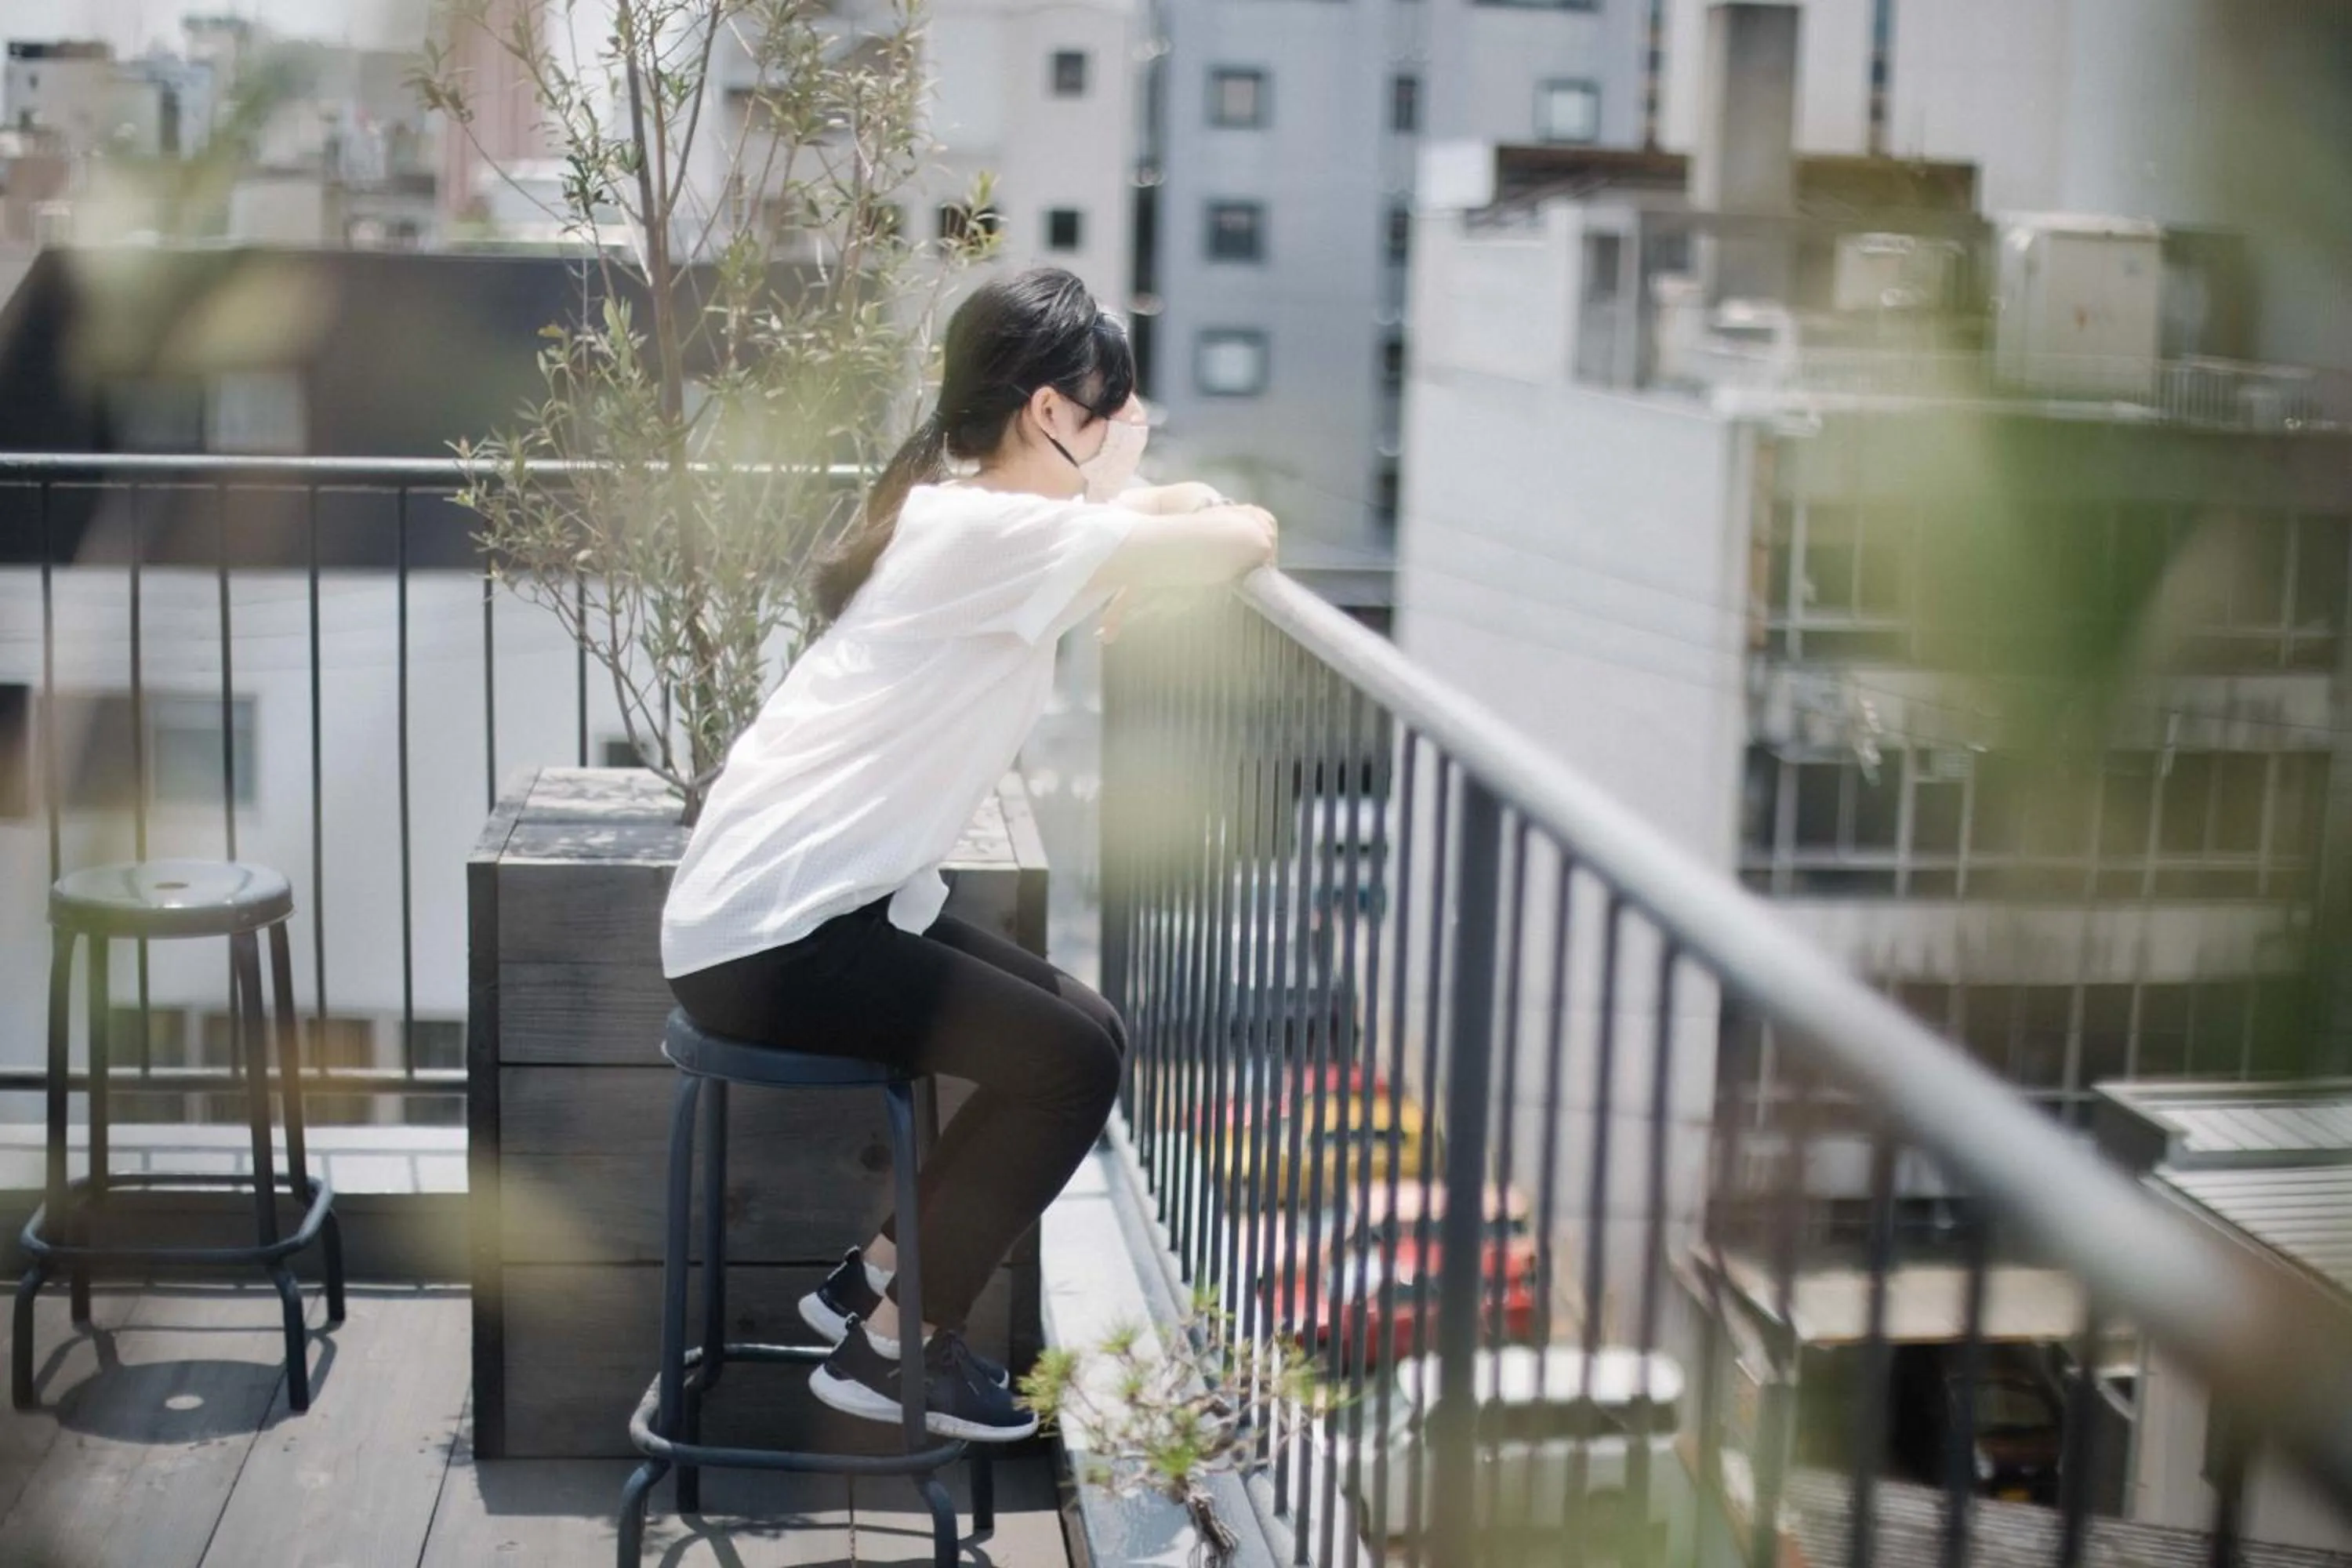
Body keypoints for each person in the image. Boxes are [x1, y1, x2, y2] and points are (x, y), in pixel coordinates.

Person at [659, 267, 1278, 1442]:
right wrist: (1179, 530)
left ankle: (868, 1282)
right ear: (1052, 412)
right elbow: (1234, 532)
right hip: (776, 940)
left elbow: (1161, 518)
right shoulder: (998, 532)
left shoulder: (967, 514)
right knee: (1070, 1070)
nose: (1128, 432)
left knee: (1090, 1031)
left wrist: (1142, 520)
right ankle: (895, 1352)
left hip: (791, 910)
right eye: (1115, 408)